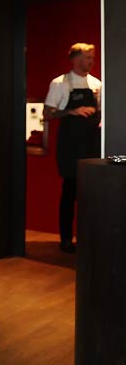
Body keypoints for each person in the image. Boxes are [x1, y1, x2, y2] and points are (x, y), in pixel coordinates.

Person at [44, 42, 102, 253]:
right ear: (76, 59)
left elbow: (101, 112)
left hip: (91, 145)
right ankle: (66, 239)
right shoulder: (60, 83)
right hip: (70, 146)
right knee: (70, 193)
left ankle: (88, 238)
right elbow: (48, 113)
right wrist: (72, 111)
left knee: (91, 194)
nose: (92, 61)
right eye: (88, 57)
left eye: (92, 58)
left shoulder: (97, 84)